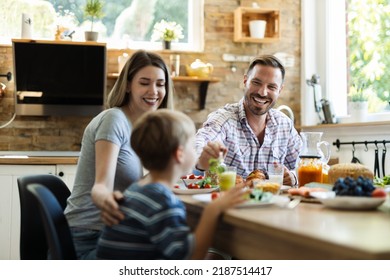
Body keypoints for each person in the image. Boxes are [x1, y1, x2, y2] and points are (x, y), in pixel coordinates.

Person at [64, 50, 174, 259]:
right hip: (88, 237)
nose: (154, 91)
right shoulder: (114, 119)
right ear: (127, 85)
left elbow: (136, 185)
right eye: (144, 82)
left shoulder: (142, 129)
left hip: (114, 232)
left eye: (160, 84)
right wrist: (108, 199)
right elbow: (101, 187)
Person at [96, 109, 249, 260]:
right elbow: (191, 260)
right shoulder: (162, 201)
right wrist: (213, 209)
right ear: (179, 154)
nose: (195, 150)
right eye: (192, 146)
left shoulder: (137, 190)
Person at [195, 54, 302, 186]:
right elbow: (199, 144)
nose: (262, 92)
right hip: (230, 203)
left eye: (272, 87)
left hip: (275, 204)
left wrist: (294, 176)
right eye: (256, 83)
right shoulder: (224, 119)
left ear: (280, 90)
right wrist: (202, 159)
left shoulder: (284, 124)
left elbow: (306, 164)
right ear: (245, 81)